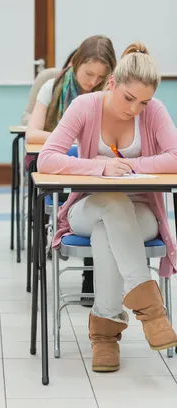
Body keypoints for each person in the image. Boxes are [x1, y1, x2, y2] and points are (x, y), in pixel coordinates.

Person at [38, 42, 177, 373]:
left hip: (140, 213)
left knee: (107, 233)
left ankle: (105, 335)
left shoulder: (155, 111)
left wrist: (131, 165)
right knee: (110, 205)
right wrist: (99, 167)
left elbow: (175, 155)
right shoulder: (85, 106)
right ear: (112, 83)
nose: (135, 109)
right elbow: (47, 157)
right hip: (86, 207)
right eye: (129, 98)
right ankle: (151, 311)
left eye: (143, 102)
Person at [26, 35, 117, 303]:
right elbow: (32, 134)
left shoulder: (110, 96)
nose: (92, 81)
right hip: (61, 165)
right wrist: (70, 139)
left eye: (99, 77)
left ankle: (91, 277)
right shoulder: (53, 87)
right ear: (76, 62)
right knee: (44, 192)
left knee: (102, 201)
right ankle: (47, 250)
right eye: (88, 73)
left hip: (93, 173)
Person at [21, 49, 77, 126]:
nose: (71, 67)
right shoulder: (48, 80)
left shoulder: (92, 87)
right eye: (71, 63)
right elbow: (26, 117)